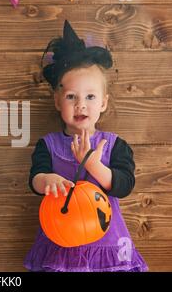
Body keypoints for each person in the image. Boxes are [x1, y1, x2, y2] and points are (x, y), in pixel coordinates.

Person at [24, 20, 148, 272]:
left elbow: (124, 185)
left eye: (90, 97)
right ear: (58, 102)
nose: (81, 105)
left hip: (107, 245)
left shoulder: (115, 145)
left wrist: (92, 163)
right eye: (71, 97)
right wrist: (46, 179)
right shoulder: (48, 145)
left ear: (103, 102)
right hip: (61, 243)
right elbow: (35, 179)